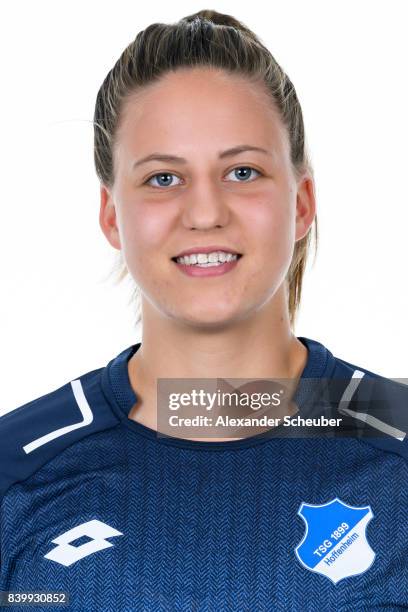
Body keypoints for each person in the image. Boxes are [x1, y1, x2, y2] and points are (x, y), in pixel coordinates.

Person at [1, 9, 407, 611]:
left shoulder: (394, 436)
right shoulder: (17, 469)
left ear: (301, 203)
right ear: (113, 215)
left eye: (243, 171)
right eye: (164, 178)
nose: (205, 211)